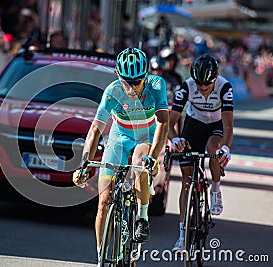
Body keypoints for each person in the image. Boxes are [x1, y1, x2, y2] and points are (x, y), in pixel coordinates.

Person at [72, 47, 169, 264]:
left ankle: (142, 217)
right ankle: (100, 257)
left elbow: (164, 122)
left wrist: (153, 156)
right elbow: (95, 130)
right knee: (104, 200)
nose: (132, 87)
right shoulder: (112, 90)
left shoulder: (156, 85)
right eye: (127, 81)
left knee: (140, 161)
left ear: (145, 76)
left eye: (137, 82)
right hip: (120, 137)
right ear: (118, 75)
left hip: (146, 135)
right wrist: (84, 163)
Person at [168, 54, 234, 252]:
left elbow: (228, 125)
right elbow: (170, 123)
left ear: (216, 78)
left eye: (207, 84)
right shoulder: (186, 87)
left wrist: (226, 148)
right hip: (194, 124)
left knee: (213, 149)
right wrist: (176, 139)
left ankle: (215, 188)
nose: (203, 88)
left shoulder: (224, 87)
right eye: (200, 84)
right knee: (187, 180)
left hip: (216, 125)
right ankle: (181, 236)